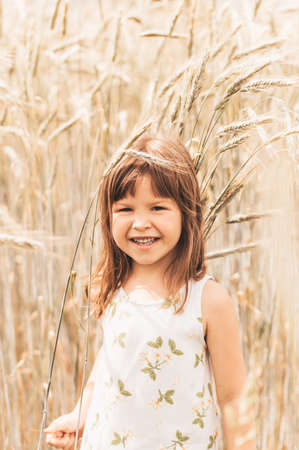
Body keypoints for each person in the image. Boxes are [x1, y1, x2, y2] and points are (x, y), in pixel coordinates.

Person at [44, 136, 256, 449]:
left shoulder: (207, 300)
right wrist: (81, 414)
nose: (141, 223)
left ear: (186, 213)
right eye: (125, 209)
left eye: (157, 207)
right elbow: (110, 361)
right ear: (109, 216)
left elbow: (234, 401)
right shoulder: (111, 287)